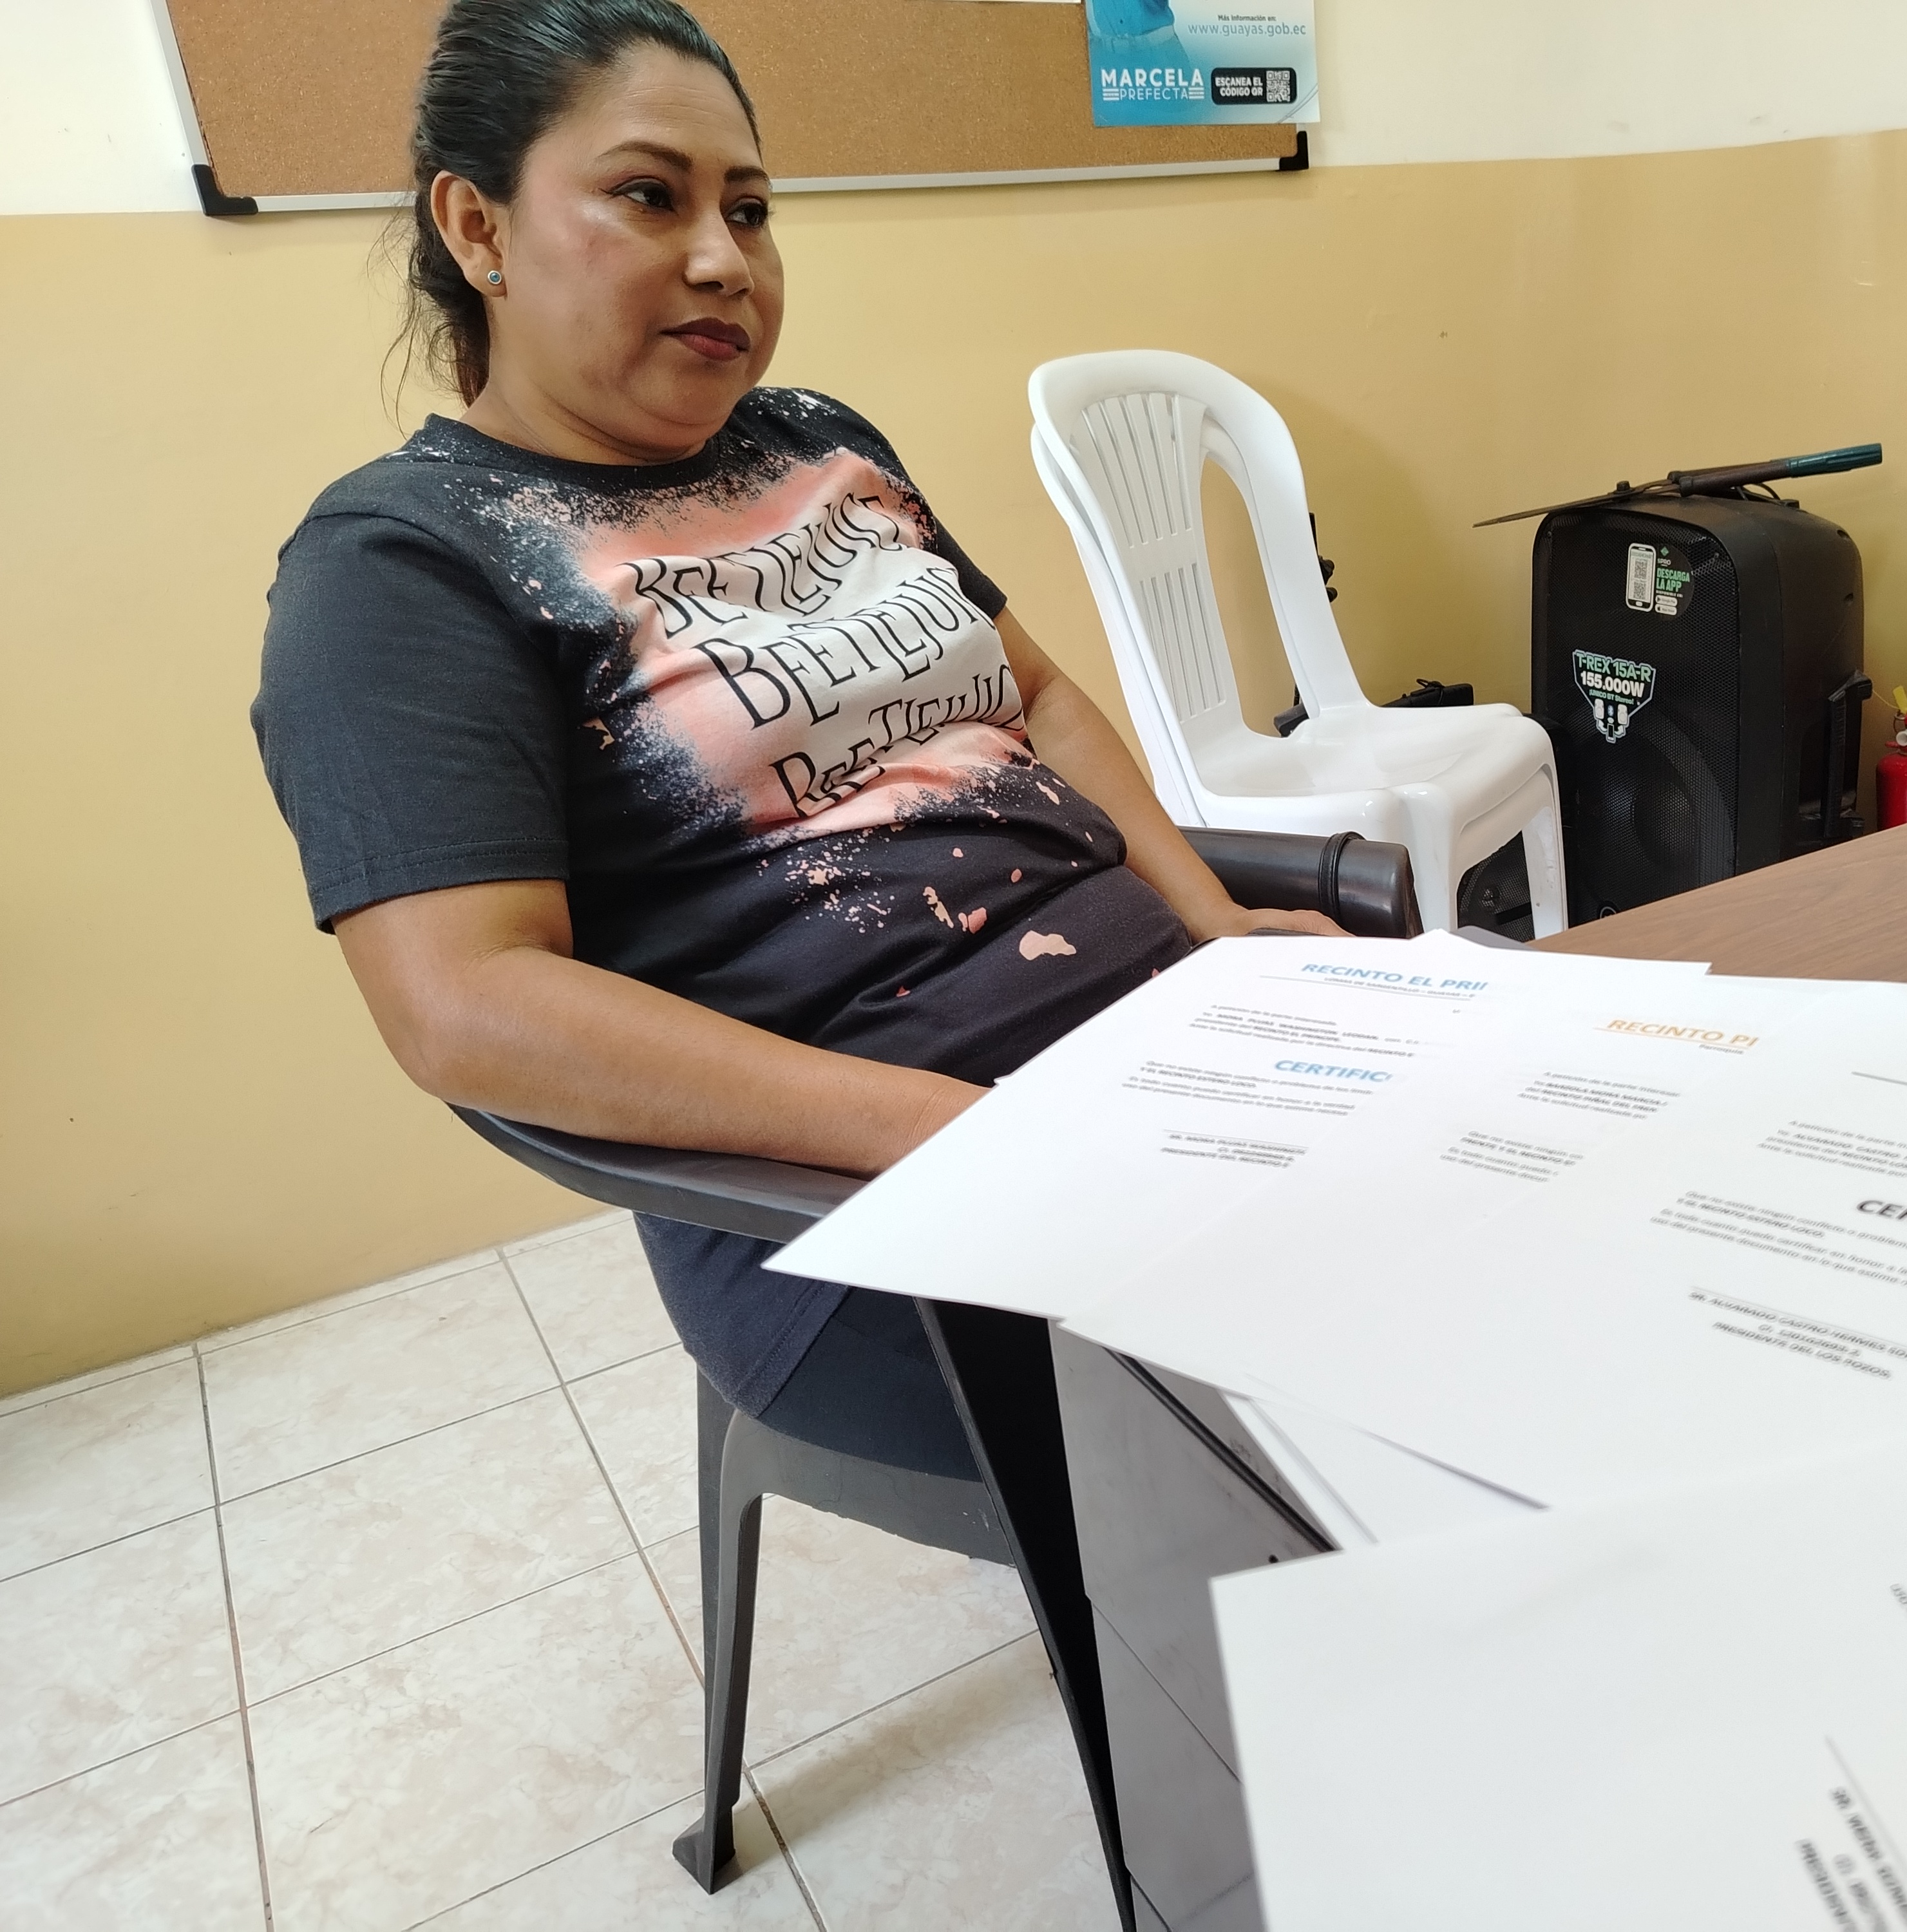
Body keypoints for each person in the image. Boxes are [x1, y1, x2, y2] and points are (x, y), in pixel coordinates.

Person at [252, 0, 1335, 1496]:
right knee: (1403, 1389)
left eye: (750, 210)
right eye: (650, 195)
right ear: (477, 226)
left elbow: (1035, 697)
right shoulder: (401, 565)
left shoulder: (820, 442)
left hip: (1164, 1063)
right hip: (857, 1212)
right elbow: (465, 1006)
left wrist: (1211, 921)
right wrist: (966, 1133)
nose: (723, 259)